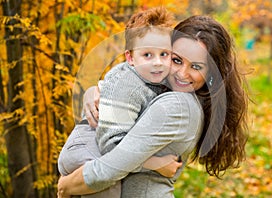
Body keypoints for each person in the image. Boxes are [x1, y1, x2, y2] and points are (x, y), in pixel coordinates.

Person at [57, 15, 248, 198]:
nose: (182, 73)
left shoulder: (178, 106)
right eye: (176, 60)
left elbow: (108, 169)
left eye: (196, 67)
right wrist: (96, 91)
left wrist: (65, 187)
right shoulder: (161, 88)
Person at [57, 7, 183, 198]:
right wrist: (156, 165)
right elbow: (112, 149)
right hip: (87, 150)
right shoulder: (127, 85)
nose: (158, 62)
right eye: (147, 55)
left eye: (164, 54)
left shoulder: (152, 77)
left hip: (96, 148)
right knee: (109, 182)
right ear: (130, 58)